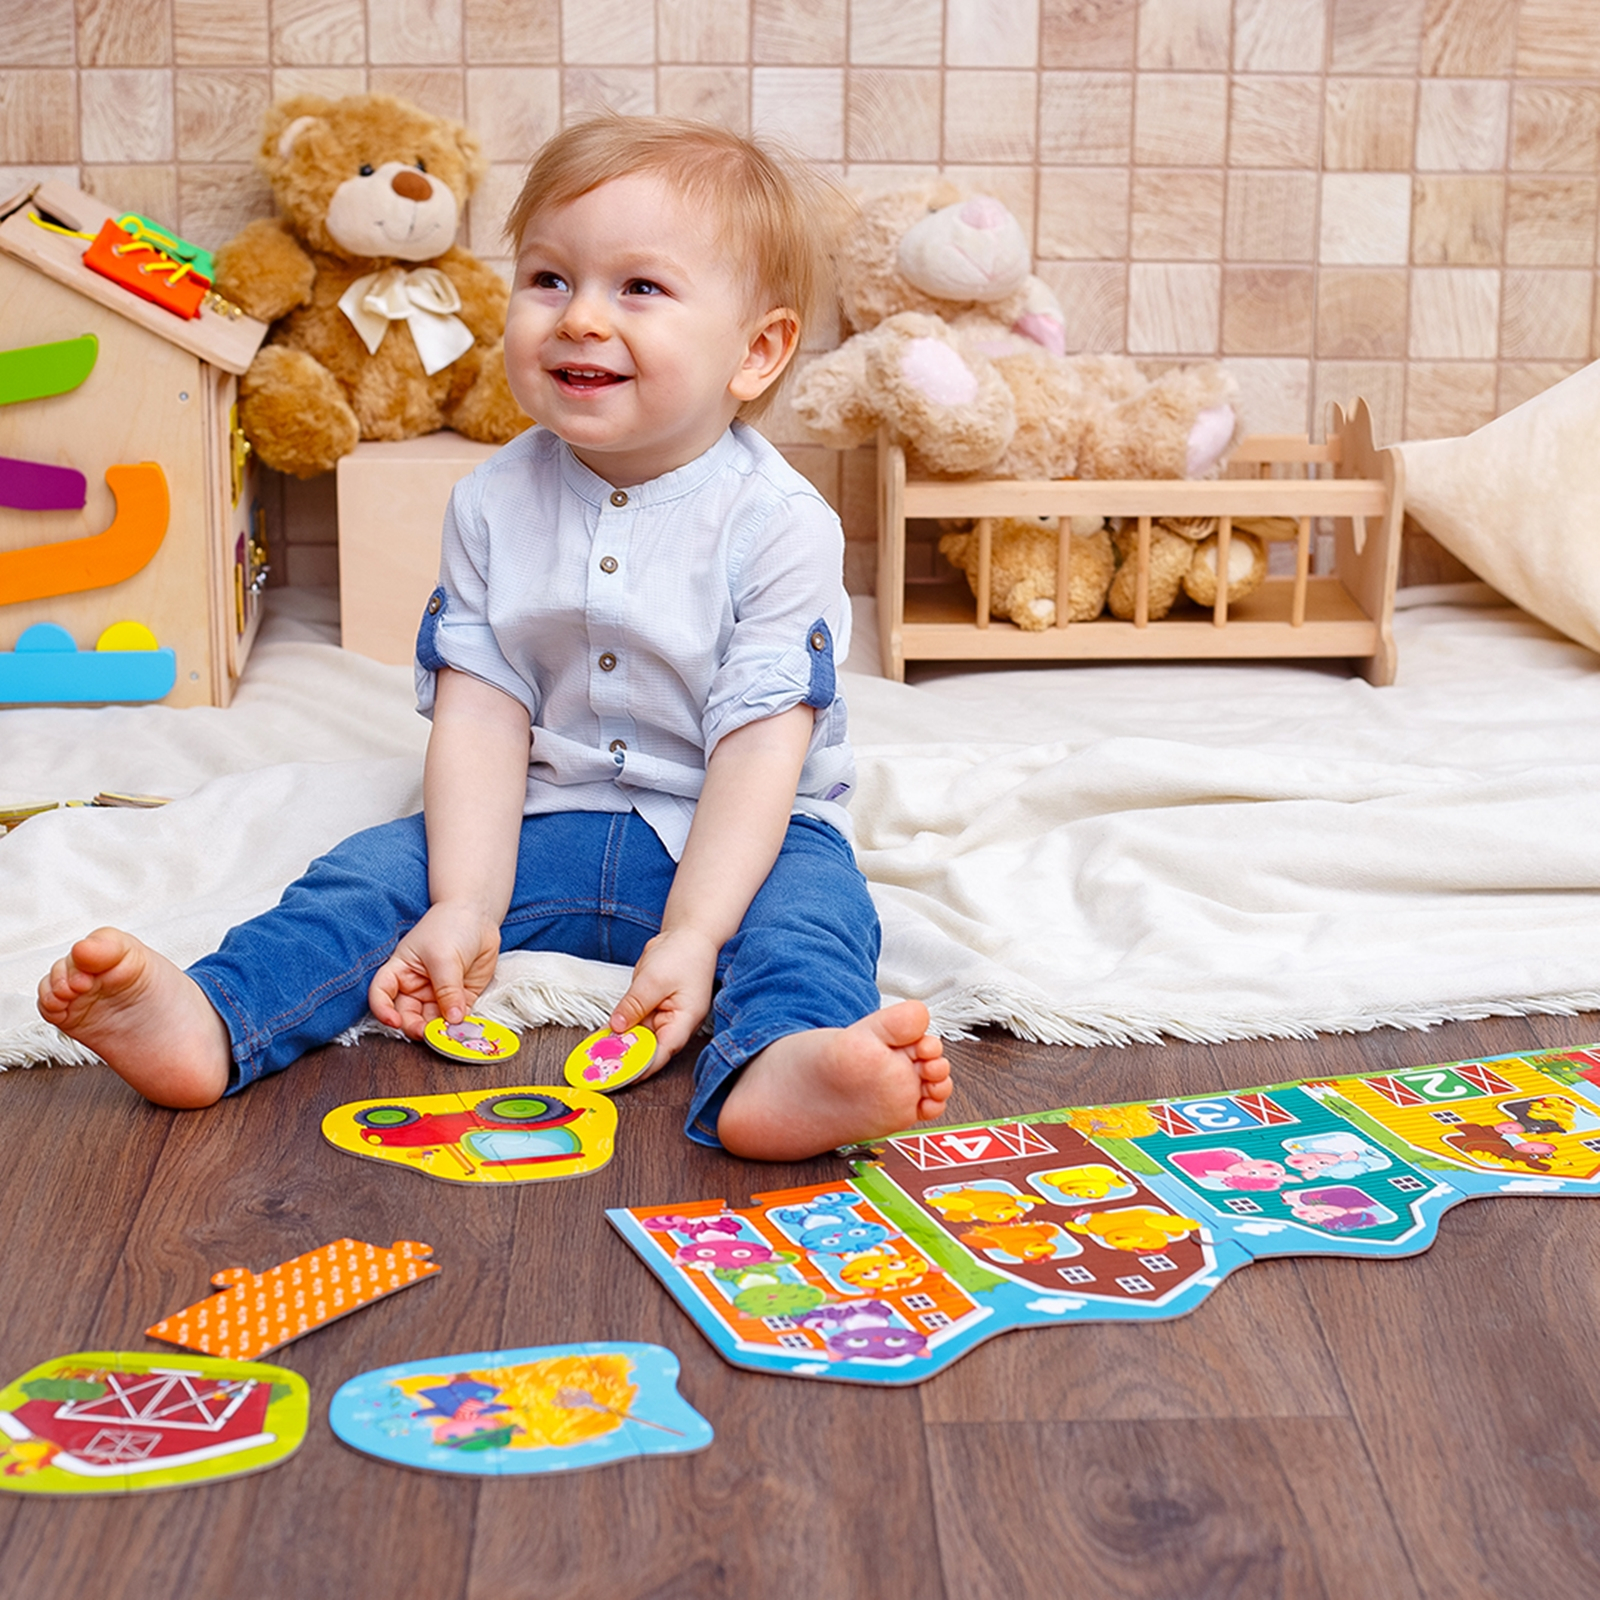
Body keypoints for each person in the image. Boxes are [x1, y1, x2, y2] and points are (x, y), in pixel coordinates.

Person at [37, 114, 953, 1161]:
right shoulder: (490, 502)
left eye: (639, 288)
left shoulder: (779, 524)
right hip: (546, 817)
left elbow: (758, 749)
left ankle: (781, 1066)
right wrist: (465, 902)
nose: (579, 319)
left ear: (756, 351)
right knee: (367, 874)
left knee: (815, 917)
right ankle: (212, 1016)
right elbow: (482, 711)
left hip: (742, 834)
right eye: (549, 278)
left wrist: (695, 935)